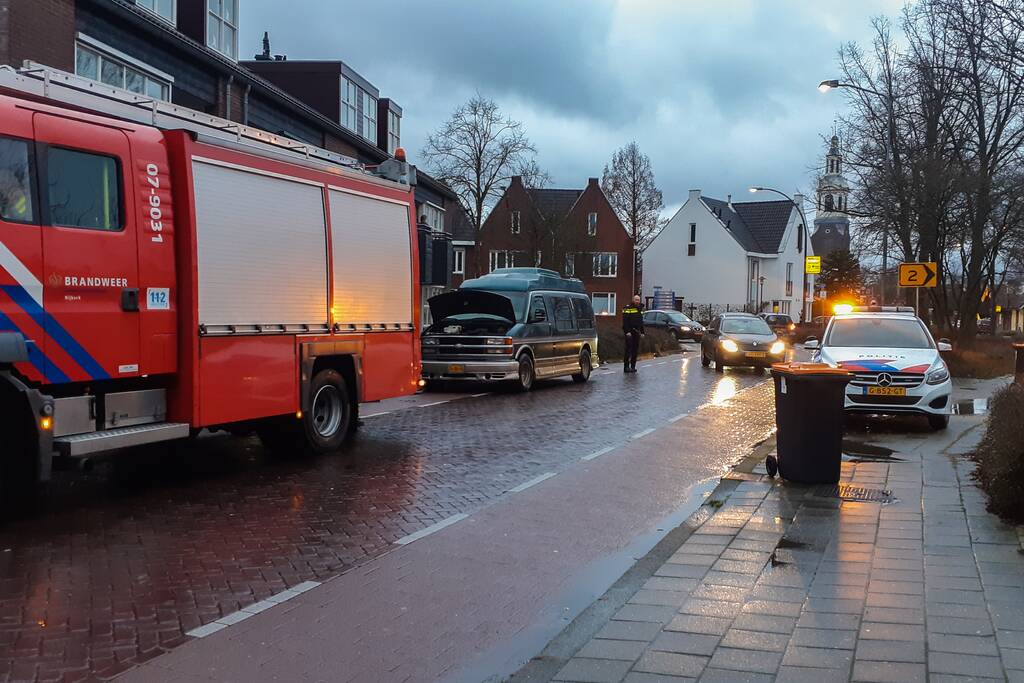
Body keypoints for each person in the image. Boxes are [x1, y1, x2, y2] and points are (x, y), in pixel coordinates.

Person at [621, 294, 644, 373]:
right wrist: (627, 331)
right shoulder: (628, 308)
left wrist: (642, 332)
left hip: (637, 332)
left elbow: (641, 322)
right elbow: (625, 321)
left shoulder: (640, 309)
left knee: (635, 350)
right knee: (628, 349)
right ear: (633, 300)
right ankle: (626, 367)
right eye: (636, 300)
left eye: (638, 300)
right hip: (630, 332)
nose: (637, 301)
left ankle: (633, 366)